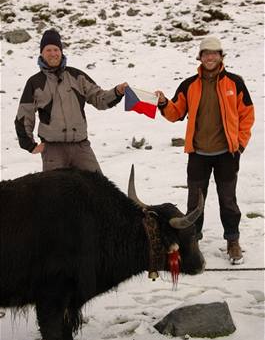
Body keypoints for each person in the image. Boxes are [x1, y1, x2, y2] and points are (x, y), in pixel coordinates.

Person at [155, 36, 255, 265]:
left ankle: (232, 240)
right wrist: (162, 103)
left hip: (226, 154)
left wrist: (239, 144)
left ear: (221, 56)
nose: (210, 57)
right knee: (194, 202)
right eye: (205, 53)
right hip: (198, 154)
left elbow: (247, 114)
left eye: (214, 53)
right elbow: (175, 113)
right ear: (200, 57)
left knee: (228, 200)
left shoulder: (235, 83)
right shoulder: (190, 84)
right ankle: (192, 241)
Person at [15, 29, 128, 173]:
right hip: (53, 150)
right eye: (48, 50)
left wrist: (117, 92)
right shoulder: (34, 82)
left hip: (81, 147)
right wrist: (29, 145)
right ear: (42, 53)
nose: (53, 53)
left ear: (61, 51)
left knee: (97, 189)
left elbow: (100, 99)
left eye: (56, 49)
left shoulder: (77, 76)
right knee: (56, 193)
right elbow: (24, 116)